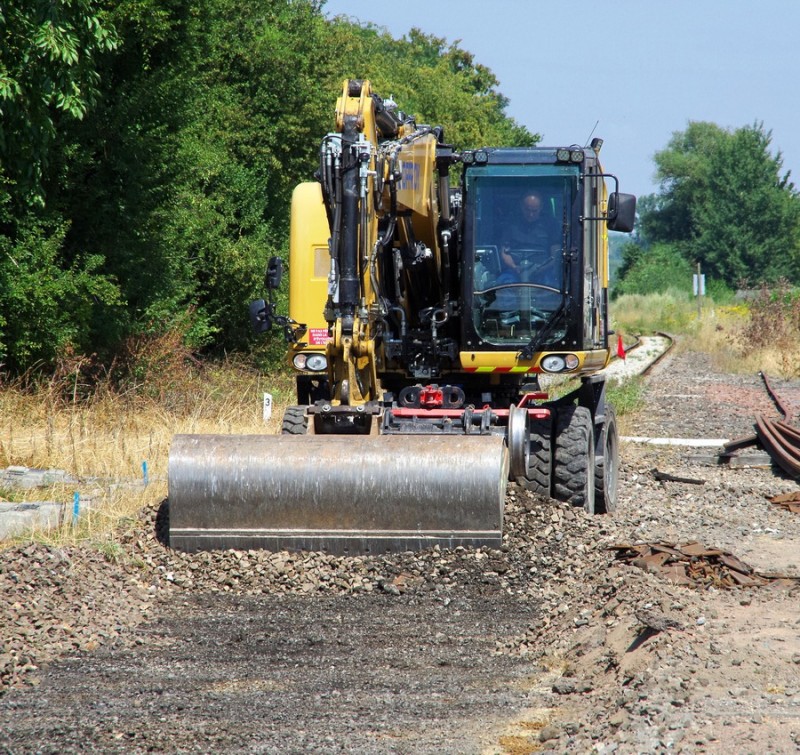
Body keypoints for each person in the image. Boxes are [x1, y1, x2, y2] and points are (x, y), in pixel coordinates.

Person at [500, 190, 560, 280]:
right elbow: (504, 252)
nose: (530, 214)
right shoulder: (510, 224)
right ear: (521, 206)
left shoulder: (551, 225)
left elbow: (555, 255)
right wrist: (514, 267)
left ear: (541, 207)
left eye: (534, 211)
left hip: (543, 271)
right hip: (514, 270)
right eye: (527, 210)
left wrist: (540, 269)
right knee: (503, 282)